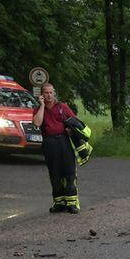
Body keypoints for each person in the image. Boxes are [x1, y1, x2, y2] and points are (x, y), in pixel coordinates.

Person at [33, 83, 80, 213]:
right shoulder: (39, 109)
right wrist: (42, 105)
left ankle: (71, 203)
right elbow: (37, 123)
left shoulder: (62, 107)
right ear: (42, 95)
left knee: (69, 172)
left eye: (50, 92)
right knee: (54, 174)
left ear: (54, 94)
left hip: (64, 141)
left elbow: (75, 121)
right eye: (46, 93)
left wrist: (71, 130)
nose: (49, 95)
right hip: (49, 143)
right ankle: (59, 203)